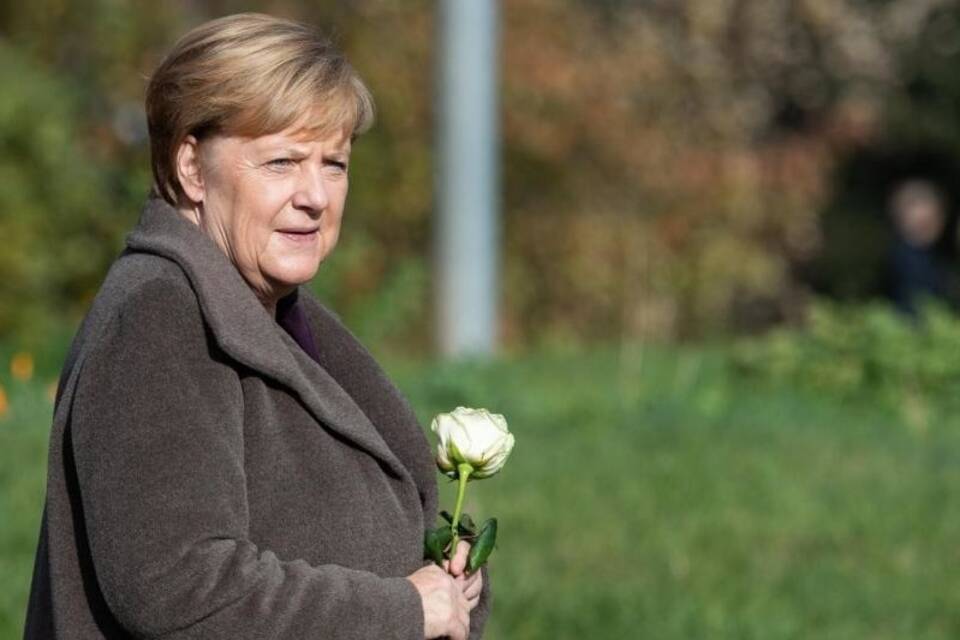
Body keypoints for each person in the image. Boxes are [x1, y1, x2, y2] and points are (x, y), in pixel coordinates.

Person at [23, 13, 489, 639]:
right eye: (281, 162)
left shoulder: (283, 314)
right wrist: (401, 609)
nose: (316, 195)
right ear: (191, 166)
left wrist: (450, 584)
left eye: (335, 164)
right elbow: (179, 587)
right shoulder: (157, 318)